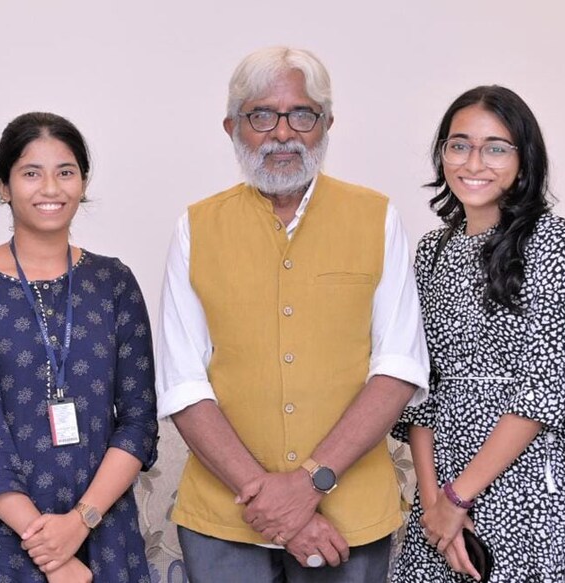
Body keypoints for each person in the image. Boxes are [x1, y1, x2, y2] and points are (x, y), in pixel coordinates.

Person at [156, 46, 430, 582]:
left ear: (326, 124)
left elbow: (398, 367)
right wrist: (275, 506)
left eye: (302, 114)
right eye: (262, 115)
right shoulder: (196, 227)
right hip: (225, 518)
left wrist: (308, 484)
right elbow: (182, 384)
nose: (283, 134)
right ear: (232, 126)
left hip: (348, 518)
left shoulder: (378, 218)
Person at [0, 112, 158, 582]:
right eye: (31, 173)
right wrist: (51, 552)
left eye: (65, 172)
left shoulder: (114, 283)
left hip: (105, 537)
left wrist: (80, 523)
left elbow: (138, 421)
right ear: (3, 185)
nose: (50, 188)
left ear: (83, 181)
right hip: (1, 548)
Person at [391, 86, 565, 582]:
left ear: (525, 159)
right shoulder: (433, 249)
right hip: (438, 487)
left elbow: (542, 388)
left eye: (496, 147)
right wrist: (435, 505)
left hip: (519, 479)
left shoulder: (551, 239)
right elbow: (420, 390)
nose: (474, 161)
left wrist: (459, 498)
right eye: (459, 145)